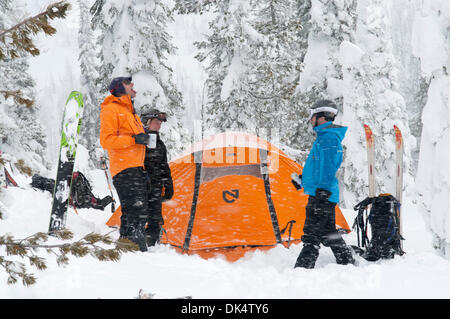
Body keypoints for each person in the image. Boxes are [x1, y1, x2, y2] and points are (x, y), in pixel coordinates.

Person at [292, 99, 354, 269]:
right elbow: (319, 168)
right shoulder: (325, 138)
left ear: (322, 116)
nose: (311, 120)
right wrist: (302, 180)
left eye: (312, 116)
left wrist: (323, 191)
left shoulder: (328, 139)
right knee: (328, 232)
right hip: (321, 192)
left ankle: (302, 269)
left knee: (311, 235)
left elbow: (328, 167)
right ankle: (347, 261)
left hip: (322, 195)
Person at [99, 76, 151, 252]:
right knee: (134, 209)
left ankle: (132, 246)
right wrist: (133, 139)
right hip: (124, 168)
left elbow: (132, 139)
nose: (133, 85)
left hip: (136, 167)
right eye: (129, 84)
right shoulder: (111, 109)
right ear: (120, 88)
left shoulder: (130, 112)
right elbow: (106, 141)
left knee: (139, 209)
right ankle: (131, 248)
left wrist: (142, 138)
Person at [141, 108, 174, 247]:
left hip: (155, 187)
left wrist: (168, 184)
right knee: (140, 216)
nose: (159, 125)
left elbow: (163, 165)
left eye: (160, 122)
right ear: (147, 122)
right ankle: (136, 242)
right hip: (140, 186)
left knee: (155, 218)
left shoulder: (160, 144)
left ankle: (150, 243)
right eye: (156, 122)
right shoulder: (139, 141)